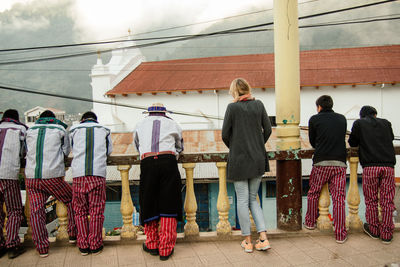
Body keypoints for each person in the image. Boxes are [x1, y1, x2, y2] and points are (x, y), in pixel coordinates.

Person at [222, 78, 272, 253]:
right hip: (258, 159)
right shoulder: (259, 105)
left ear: (234, 91)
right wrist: (258, 145)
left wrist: (236, 147)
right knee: (253, 199)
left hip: (239, 160)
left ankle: (248, 242)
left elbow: (224, 134)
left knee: (242, 200)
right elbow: (268, 129)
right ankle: (263, 239)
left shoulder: (232, 108)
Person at [134, 103, 183, 261]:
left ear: (148, 113)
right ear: (164, 113)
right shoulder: (173, 123)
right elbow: (179, 147)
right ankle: (166, 248)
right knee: (169, 203)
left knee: (149, 202)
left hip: (147, 163)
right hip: (168, 161)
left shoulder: (140, 125)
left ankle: (152, 244)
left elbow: (137, 146)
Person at [25, 110, 77, 257]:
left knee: (36, 212)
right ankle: (73, 234)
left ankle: (42, 248)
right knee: (72, 199)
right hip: (52, 176)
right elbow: (66, 151)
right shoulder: (60, 129)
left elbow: (26, 151)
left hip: (32, 177)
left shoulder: (30, 131)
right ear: (53, 119)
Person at [348, 106, 396, 244]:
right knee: (387, 201)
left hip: (370, 167)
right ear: (375, 114)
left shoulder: (359, 123)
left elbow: (352, 142)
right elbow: (391, 138)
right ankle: (387, 233)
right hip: (388, 167)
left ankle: (374, 230)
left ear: (362, 115)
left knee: (371, 201)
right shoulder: (386, 123)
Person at [304, 95, 348, 243]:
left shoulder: (314, 119)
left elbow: (312, 141)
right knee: (339, 199)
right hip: (340, 163)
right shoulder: (342, 119)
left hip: (321, 162)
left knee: (313, 192)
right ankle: (340, 234)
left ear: (319, 107)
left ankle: (310, 222)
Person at [69, 111, 112, 255]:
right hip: (97, 174)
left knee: (80, 211)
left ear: (82, 120)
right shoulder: (104, 130)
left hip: (78, 175)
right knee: (96, 211)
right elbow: (109, 151)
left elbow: (69, 149)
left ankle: (83, 245)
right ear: (96, 120)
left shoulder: (74, 130)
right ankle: (95, 245)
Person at [0, 109, 27, 259]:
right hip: (8, 174)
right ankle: (12, 245)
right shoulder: (21, 129)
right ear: (16, 118)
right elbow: (24, 152)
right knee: (14, 211)